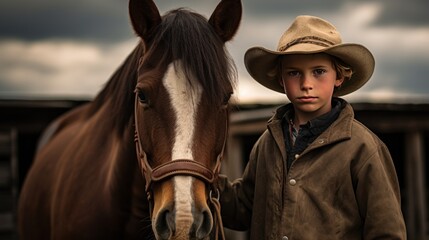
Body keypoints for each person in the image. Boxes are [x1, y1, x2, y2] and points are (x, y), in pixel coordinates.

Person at [218, 15, 407, 239]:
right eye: (294, 73)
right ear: (281, 79)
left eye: (318, 71)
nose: (306, 84)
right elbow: (243, 209)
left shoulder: (363, 149)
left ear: (339, 76)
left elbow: (387, 233)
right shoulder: (267, 144)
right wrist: (200, 175)